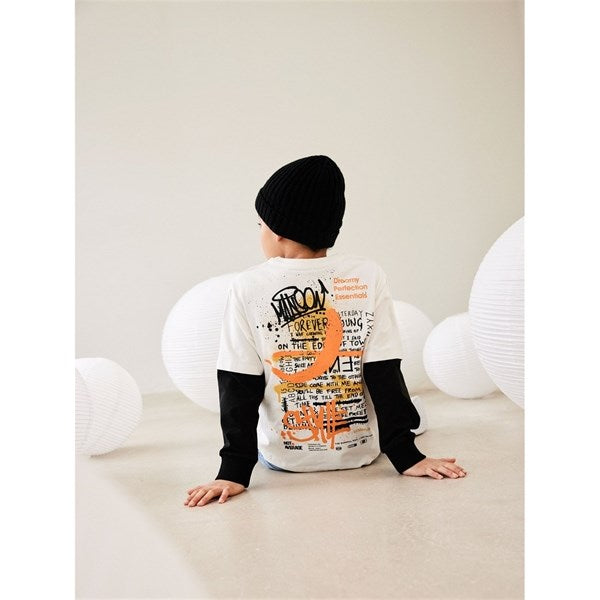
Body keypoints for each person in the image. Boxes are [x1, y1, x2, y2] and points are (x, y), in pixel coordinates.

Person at [185, 155, 467, 508]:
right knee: (412, 411)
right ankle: (413, 420)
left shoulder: (248, 285)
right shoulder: (366, 275)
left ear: (277, 230)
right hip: (363, 453)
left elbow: (238, 381)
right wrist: (407, 456)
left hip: (284, 459)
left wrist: (233, 471)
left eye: (260, 224)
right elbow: (383, 370)